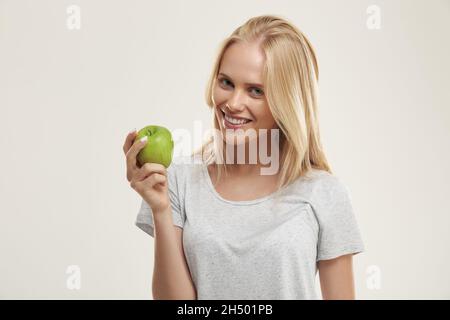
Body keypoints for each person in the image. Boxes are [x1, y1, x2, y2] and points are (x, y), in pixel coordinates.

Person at [123, 14, 364, 300]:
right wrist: (160, 209)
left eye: (255, 91)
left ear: (286, 102)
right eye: (226, 82)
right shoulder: (178, 179)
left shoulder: (324, 192)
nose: (234, 103)